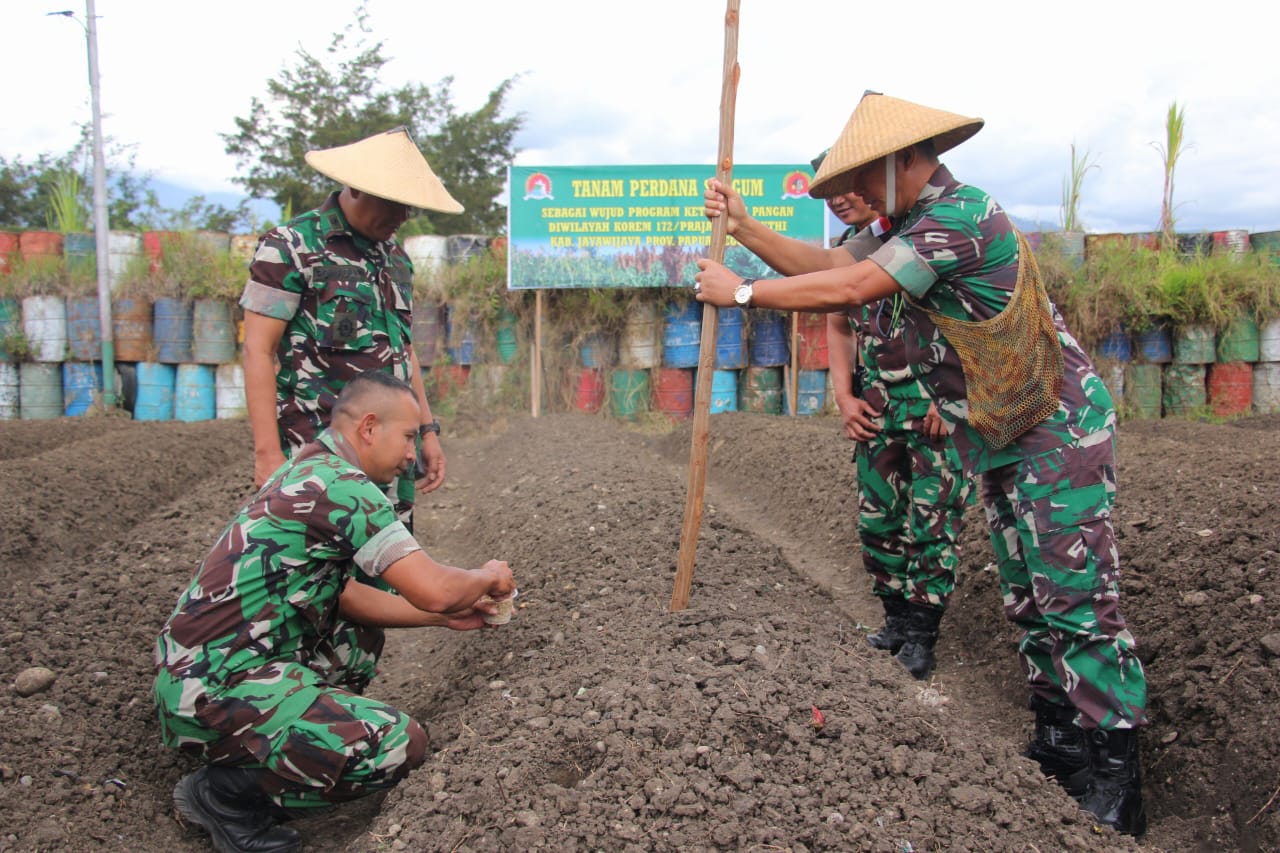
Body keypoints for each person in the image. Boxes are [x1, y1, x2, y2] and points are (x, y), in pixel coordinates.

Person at [697, 93, 1147, 836]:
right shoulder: (901, 225)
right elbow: (822, 264)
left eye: (867, 179)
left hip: (1055, 430)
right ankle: (1063, 742)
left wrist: (742, 291)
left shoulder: (956, 217)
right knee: (1029, 595)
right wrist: (744, 228)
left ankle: (1117, 777)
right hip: (1003, 433)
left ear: (901, 161)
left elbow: (849, 287)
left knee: (1074, 598)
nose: (860, 197)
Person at [154, 372, 515, 853]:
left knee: (355, 638)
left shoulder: (308, 466)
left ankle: (274, 745)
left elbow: (344, 596)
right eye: (408, 436)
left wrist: (442, 620)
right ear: (369, 427)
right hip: (215, 688)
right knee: (400, 746)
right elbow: (434, 588)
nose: (413, 453)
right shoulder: (344, 488)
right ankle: (228, 795)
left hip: (201, 675)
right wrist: (488, 576)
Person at [239, 126, 462, 696]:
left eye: (410, 207)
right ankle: (290, 708)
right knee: (314, 581)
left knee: (376, 577)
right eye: (395, 204)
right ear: (357, 190)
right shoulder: (290, 247)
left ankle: (346, 704)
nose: (403, 218)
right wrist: (268, 454)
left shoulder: (396, 261)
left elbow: (402, 352)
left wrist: (427, 430)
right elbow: (258, 350)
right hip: (317, 457)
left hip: (384, 453)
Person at [812, 148, 974, 681]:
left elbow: (973, 320)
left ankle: (923, 637)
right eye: (830, 191)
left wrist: (951, 396)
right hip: (878, 406)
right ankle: (897, 623)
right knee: (879, 519)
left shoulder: (926, 234)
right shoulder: (848, 251)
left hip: (934, 409)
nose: (840, 199)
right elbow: (838, 323)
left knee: (930, 519)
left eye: (850, 184)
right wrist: (844, 396)